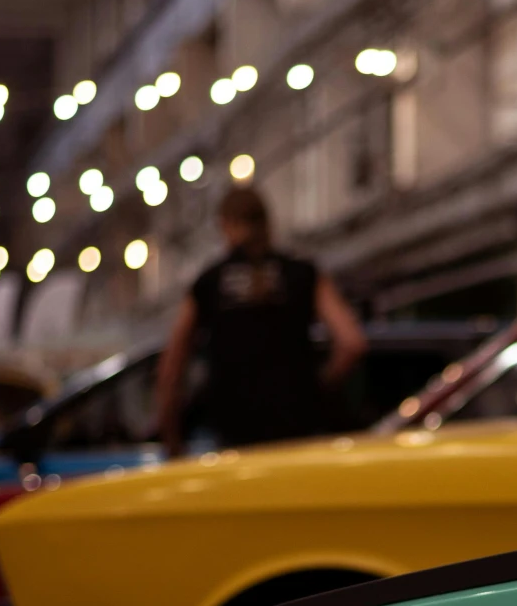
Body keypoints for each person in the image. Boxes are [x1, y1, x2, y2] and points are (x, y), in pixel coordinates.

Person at [156, 187, 367, 455]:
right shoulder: (302, 273)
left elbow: (171, 370)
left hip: (235, 435)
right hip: (298, 433)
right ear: (268, 223)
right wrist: (317, 387)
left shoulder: (209, 282)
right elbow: (352, 342)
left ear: (225, 224)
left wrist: (173, 441)